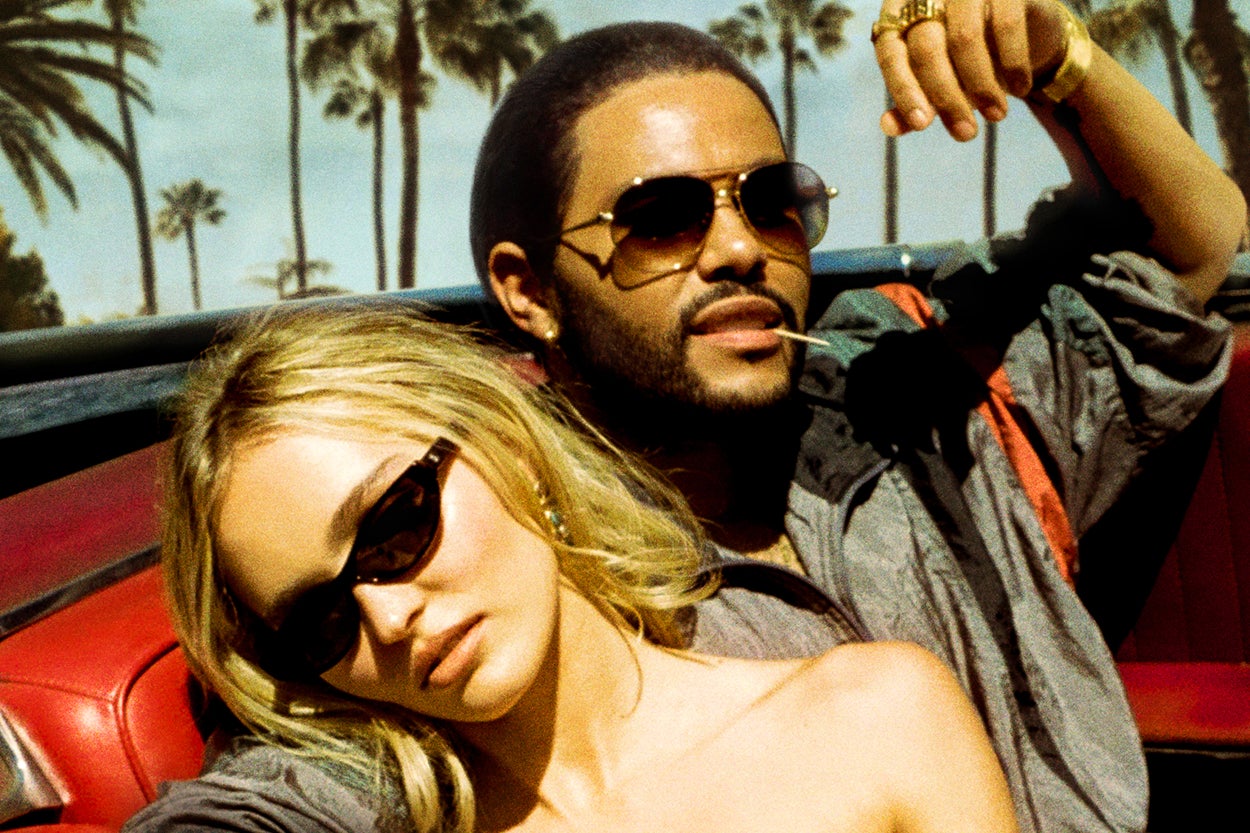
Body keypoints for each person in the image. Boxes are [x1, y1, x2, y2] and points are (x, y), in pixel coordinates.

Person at [468, 4, 1245, 833]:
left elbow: (1185, 254)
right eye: (661, 219)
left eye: (772, 201)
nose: (741, 250)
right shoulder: (508, 580)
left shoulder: (907, 385)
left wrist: (1061, 60)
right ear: (530, 290)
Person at [120, 301, 1016, 833]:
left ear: (505, 439)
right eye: (321, 620)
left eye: (394, 525)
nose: (388, 620)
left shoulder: (876, 715)